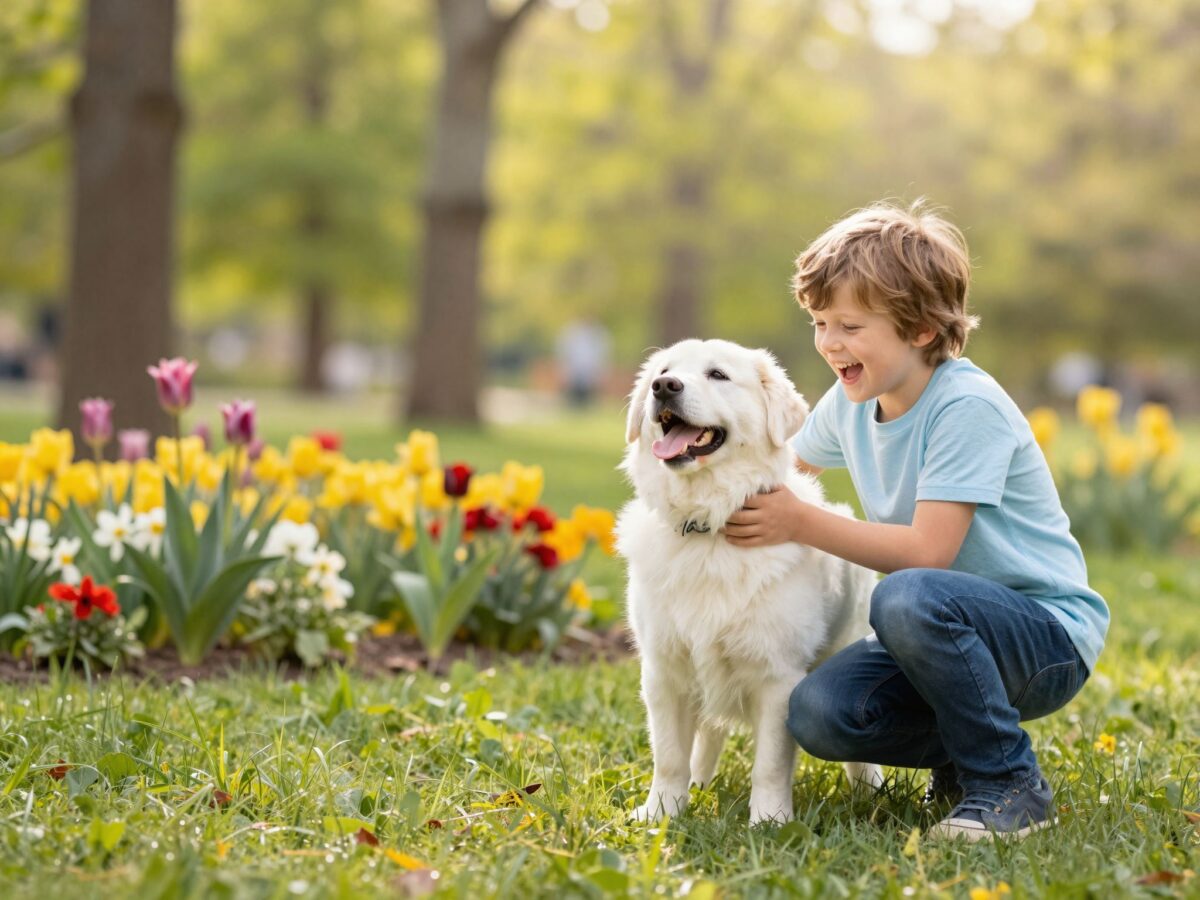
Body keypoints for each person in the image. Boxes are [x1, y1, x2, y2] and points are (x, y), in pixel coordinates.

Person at [721, 200, 1108, 841]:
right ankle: (965, 755)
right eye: (819, 322)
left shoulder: (966, 406)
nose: (828, 343)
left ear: (922, 329)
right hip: (936, 634)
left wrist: (798, 523)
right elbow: (779, 476)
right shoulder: (852, 399)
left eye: (849, 324)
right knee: (817, 711)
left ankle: (1007, 782)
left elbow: (929, 553)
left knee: (905, 594)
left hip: (1042, 638)